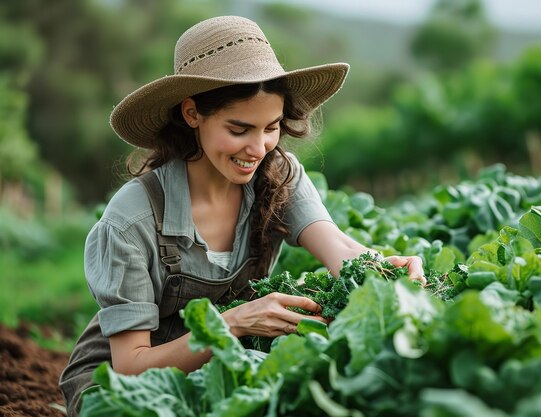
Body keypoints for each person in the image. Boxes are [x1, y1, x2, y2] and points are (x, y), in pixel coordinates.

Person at [59, 15, 424, 416]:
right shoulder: (131, 221)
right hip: (123, 388)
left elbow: (337, 246)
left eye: (271, 127)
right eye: (239, 129)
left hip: (222, 365)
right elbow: (131, 368)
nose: (259, 148)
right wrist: (232, 323)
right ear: (192, 114)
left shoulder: (277, 174)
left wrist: (383, 271)